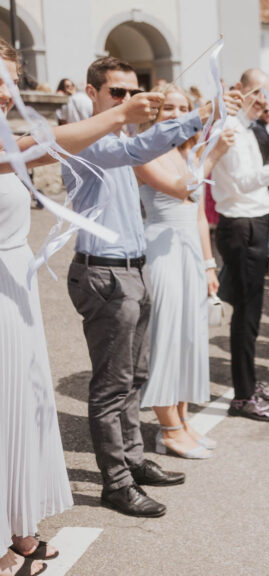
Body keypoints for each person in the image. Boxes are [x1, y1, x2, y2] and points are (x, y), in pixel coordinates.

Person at [0, 40, 163, 576]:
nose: (6, 92)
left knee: (23, 407)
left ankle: (20, 529)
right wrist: (119, 113)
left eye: (9, 81)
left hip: (15, 285)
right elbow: (44, 145)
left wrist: (190, 120)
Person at [65, 56, 238, 518]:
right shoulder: (87, 140)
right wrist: (202, 114)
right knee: (111, 386)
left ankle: (135, 461)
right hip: (103, 271)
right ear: (92, 93)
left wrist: (202, 118)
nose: (125, 101)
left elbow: (161, 157)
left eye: (131, 92)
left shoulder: (124, 139)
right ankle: (116, 483)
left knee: (135, 378)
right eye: (115, 93)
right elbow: (154, 159)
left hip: (132, 267)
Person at [133, 84, 237, 459]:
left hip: (190, 251)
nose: (176, 114)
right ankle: (168, 429)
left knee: (190, 337)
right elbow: (182, 190)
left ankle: (183, 418)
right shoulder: (143, 149)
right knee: (167, 336)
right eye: (168, 109)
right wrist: (215, 156)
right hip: (161, 249)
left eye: (182, 108)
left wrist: (209, 265)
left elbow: (198, 215)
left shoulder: (185, 151)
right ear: (156, 114)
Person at [210, 68, 269, 422]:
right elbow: (244, 181)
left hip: (256, 223)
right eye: (257, 92)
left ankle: (251, 381)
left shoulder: (251, 129)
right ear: (238, 90)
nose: (263, 100)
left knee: (254, 313)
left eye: (267, 94)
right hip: (240, 227)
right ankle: (243, 396)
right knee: (244, 315)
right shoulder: (227, 128)